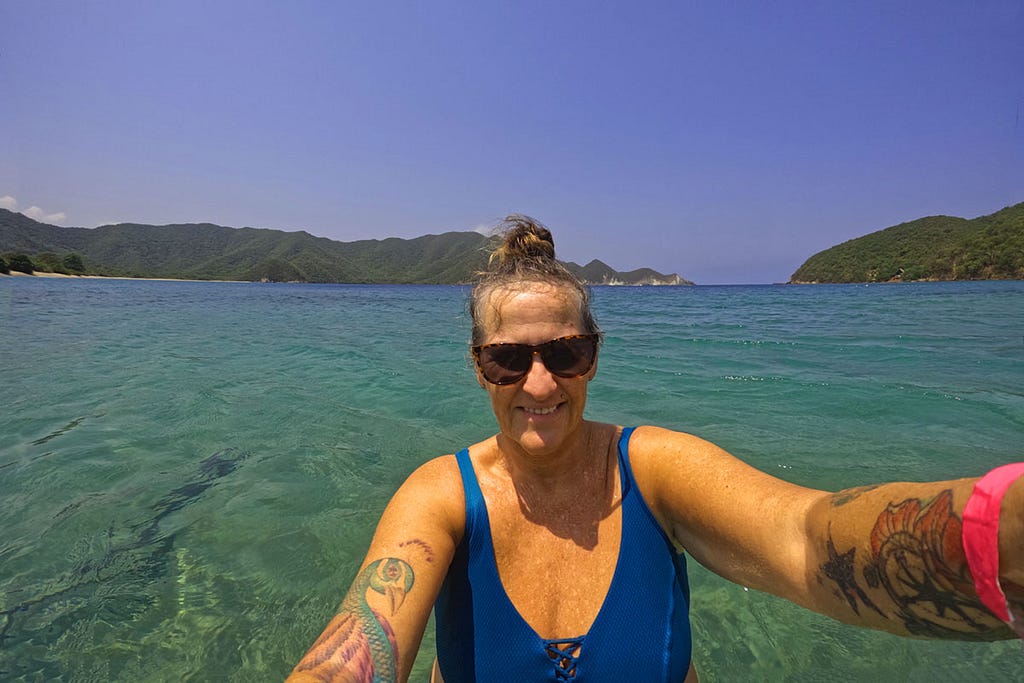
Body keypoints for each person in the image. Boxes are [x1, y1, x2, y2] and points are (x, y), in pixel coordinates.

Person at [288, 215, 1023, 683]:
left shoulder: (655, 470)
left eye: (565, 353)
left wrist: (992, 533)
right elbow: (364, 642)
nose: (539, 382)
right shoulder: (440, 496)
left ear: (595, 356)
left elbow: (806, 539)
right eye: (510, 359)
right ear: (479, 366)